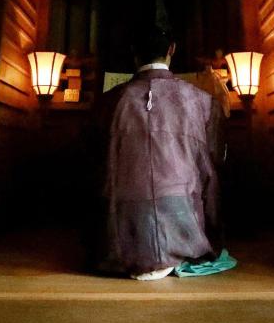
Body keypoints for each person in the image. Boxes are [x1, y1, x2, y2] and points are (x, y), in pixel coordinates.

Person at [96, 24, 224, 280]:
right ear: (171, 50)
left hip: (118, 243)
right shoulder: (203, 101)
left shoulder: (107, 102)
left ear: (134, 53)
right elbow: (211, 169)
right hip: (186, 234)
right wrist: (214, 233)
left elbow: (93, 169)